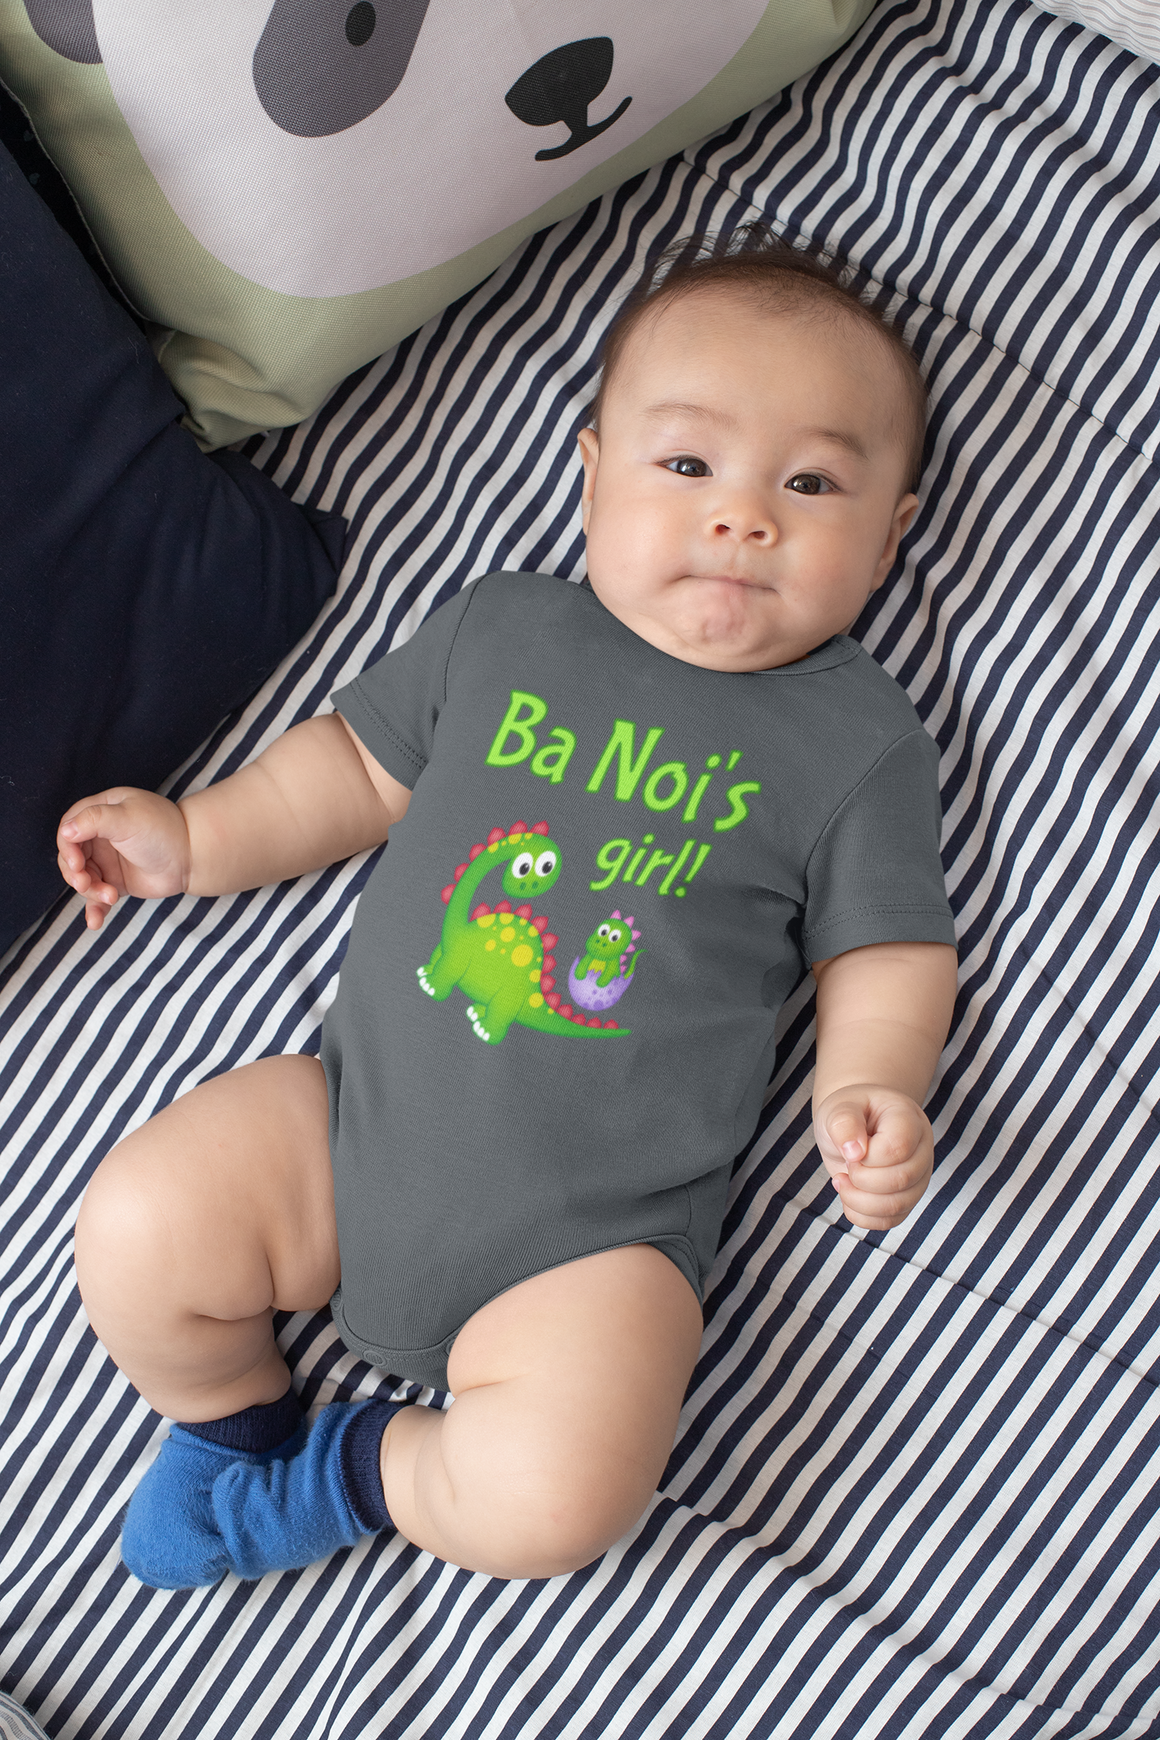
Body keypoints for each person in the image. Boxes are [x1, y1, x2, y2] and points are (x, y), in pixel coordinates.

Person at [58, 231, 958, 1589]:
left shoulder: (854, 736)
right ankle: (230, 1428)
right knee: (137, 1223)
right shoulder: (507, 632)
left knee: (563, 1498)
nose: (744, 515)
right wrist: (194, 838)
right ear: (590, 475)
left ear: (891, 538)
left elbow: (885, 947)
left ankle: (356, 1473)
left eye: (815, 482)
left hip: (594, 1247)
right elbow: (349, 770)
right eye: (688, 463)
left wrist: (875, 1083)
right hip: (351, 1128)